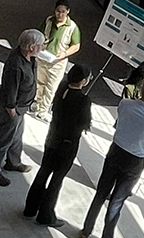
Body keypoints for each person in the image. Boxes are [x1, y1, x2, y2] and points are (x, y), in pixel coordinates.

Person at [77, 66, 144, 238]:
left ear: (141, 89)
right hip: (134, 161)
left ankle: (86, 230)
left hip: (115, 151)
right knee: (117, 200)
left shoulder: (125, 104)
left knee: (101, 193)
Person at [23, 61, 94, 224]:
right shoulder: (83, 100)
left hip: (52, 139)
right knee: (57, 179)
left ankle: (30, 207)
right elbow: (84, 123)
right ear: (83, 81)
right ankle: (46, 215)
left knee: (44, 172)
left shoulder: (62, 90)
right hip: (68, 143)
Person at [0, 27, 39, 185]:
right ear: (31, 47)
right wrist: (11, 109)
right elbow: (11, 88)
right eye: (41, 45)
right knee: (3, 139)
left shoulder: (30, 58)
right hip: (13, 108)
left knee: (16, 137)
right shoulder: (16, 65)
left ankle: (13, 162)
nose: (43, 47)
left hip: (21, 107)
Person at [32, 0, 80, 115]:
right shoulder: (49, 21)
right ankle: (36, 104)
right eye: (58, 11)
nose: (60, 14)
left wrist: (65, 53)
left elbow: (76, 45)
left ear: (68, 11)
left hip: (58, 62)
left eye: (63, 12)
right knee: (39, 82)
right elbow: (39, 34)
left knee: (51, 87)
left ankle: (43, 110)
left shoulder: (72, 27)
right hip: (43, 58)